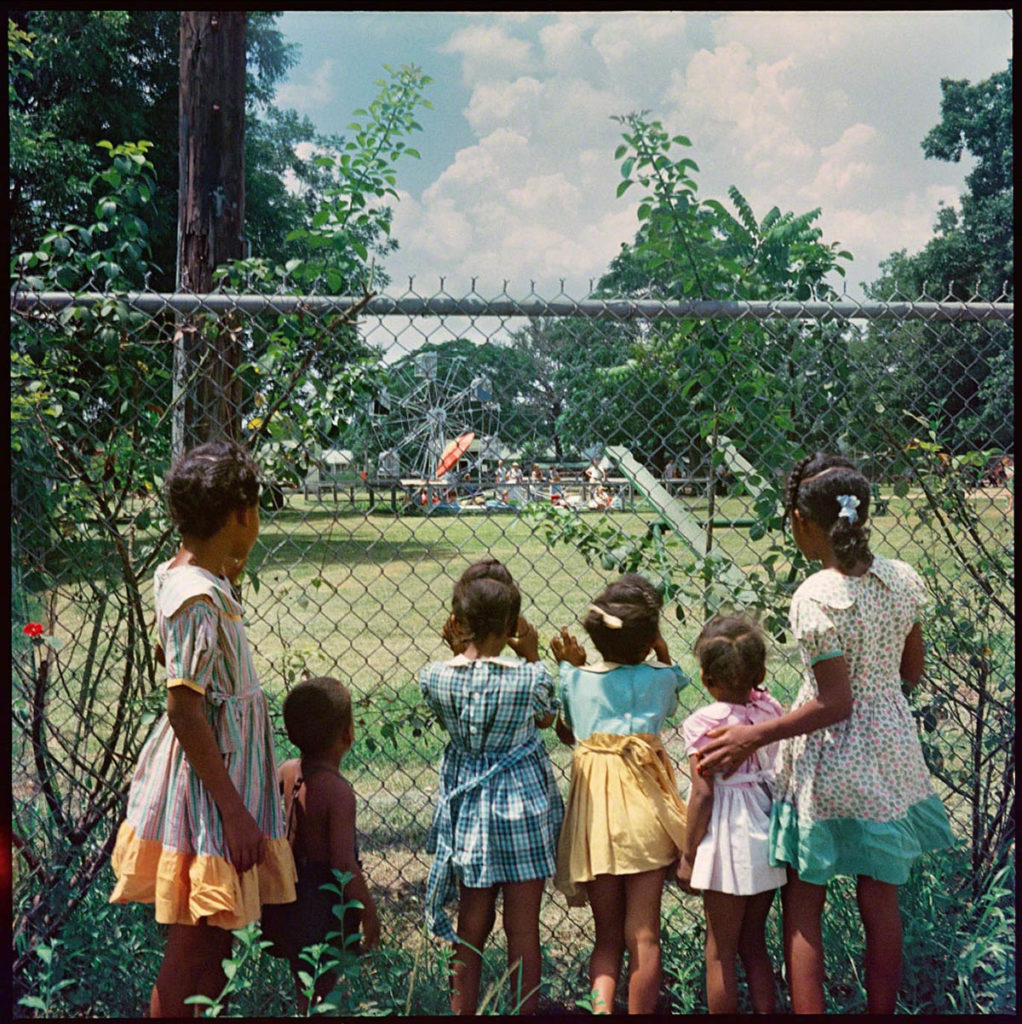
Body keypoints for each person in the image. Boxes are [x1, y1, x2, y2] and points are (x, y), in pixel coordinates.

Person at [696, 453, 954, 1014]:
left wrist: (753, 738)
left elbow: (835, 703)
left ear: (802, 522)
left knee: (804, 904)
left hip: (830, 765)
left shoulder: (815, 594)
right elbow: (912, 671)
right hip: (890, 756)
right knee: (881, 903)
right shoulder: (902, 579)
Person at [108, 440, 297, 1017]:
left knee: (215, 946)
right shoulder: (197, 598)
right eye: (256, 510)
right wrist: (236, 812)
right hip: (211, 800)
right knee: (196, 948)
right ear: (242, 514)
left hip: (219, 787)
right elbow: (185, 710)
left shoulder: (195, 576)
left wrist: (229, 563)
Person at [420, 559, 564, 1015]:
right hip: (524, 808)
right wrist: (533, 654)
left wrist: (457, 647)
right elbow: (545, 717)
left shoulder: (435, 677)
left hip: (471, 813)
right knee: (523, 930)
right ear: (513, 625)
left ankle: (463, 1010)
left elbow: (454, 717)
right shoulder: (531, 677)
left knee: (471, 925)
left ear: (457, 623)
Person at [551, 575, 689, 1014]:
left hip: (596, 825)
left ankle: (602, 1010)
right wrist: (661, 653)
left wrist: (567, 665)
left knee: (606, 938)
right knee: (644, 935)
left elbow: (566, 730)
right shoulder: (660, 679)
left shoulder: (574, 681)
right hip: (646, 819)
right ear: (650, 639)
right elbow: (674, 686)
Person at [678, 616, 786, 1014]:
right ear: (759, 672)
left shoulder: (704, 724)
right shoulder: (770, 710)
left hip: (728, 836)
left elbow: (704, 794)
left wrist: (689, 854)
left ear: (706, 679)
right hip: (765, 824)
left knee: (720, 951)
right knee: (754, 942)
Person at [267, 677, 381, 1012]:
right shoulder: (338, 791)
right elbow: (343, 863)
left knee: (302, 978)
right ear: (348, 734)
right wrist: (369, 909)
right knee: (324, 983)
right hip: (323, 900)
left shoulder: (286, 771)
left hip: (288, 893)